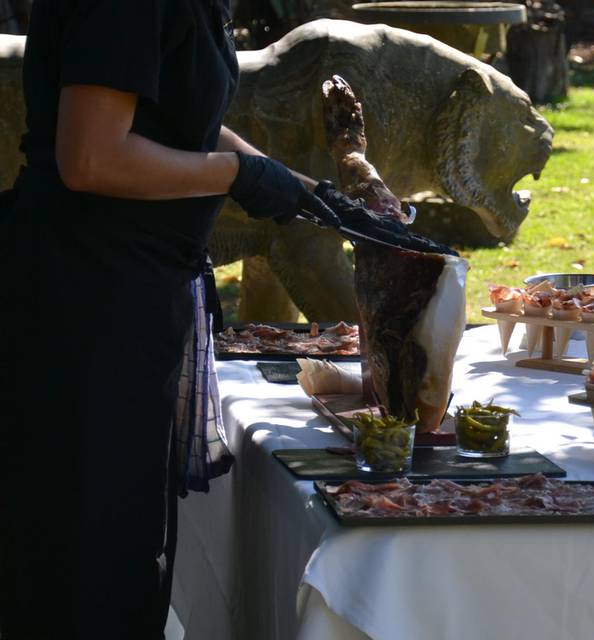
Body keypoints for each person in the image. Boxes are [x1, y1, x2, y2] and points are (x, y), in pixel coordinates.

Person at [0, 1, 343, 637]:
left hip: (126, 299)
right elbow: (91, 158)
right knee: (84, 573)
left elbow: (177, 121)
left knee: (126, 556)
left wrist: (299, 187)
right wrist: (236, 174)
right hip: (82, 307)